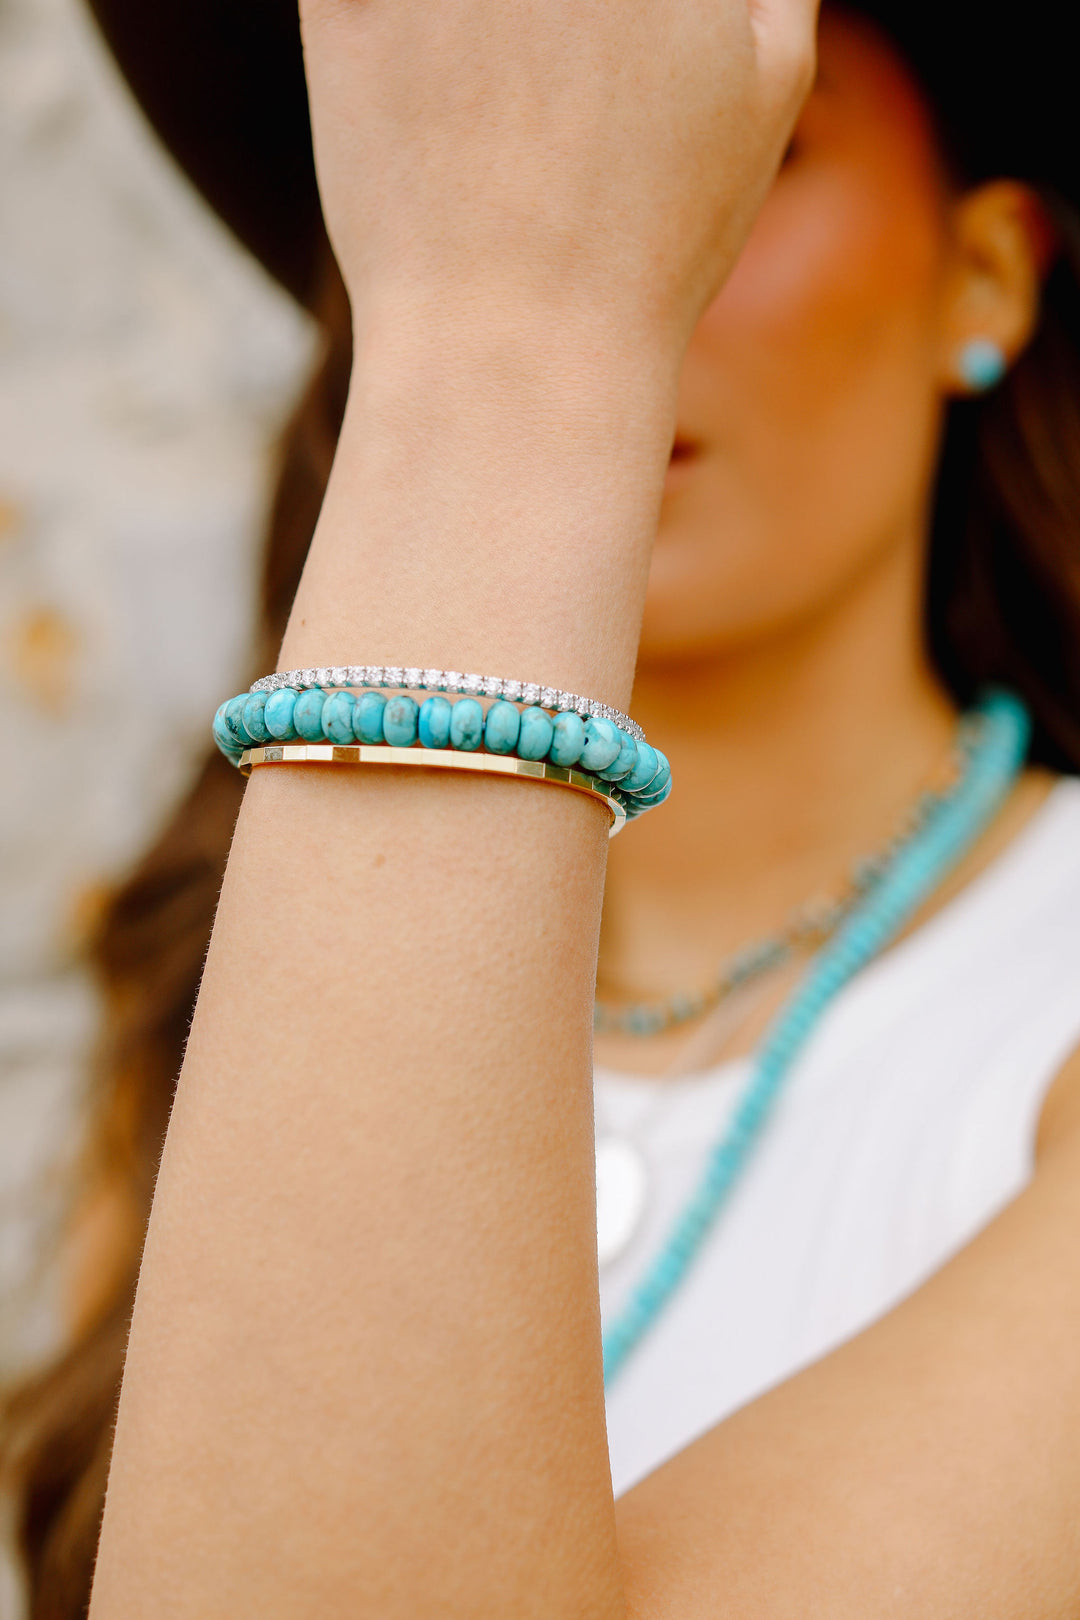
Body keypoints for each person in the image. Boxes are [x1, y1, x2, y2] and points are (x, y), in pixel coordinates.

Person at [6, 0, 1080, 1612]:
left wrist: (524, 331)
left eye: (752, 155)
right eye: (495, 180)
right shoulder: (216, 975)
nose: (631, 241)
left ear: (985, 274)